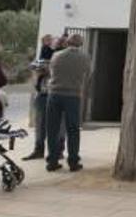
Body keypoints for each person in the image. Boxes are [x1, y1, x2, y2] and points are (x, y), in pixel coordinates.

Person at [45, 34, 90, 172]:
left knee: (52, 129)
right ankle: (73, 162)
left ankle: (52, 160)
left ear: (67, 42)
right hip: (73, 95)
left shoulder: (56, 55)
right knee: (73, 129)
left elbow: (51, 71)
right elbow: (87, 74)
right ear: (81, 44)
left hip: (54, 94)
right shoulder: (85, 57)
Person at [23, 34, 63, 161]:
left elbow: (56, 72)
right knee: (40, 124)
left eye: (54, 41)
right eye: (51, 42)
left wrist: (48, 69)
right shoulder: (43, 57)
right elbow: (33, 67)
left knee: (58, 125)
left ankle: (58, 151)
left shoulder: (62, 58)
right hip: (42, 94)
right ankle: (38, 150)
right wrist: (44, 68)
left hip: (56, 94)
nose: (53, 43)